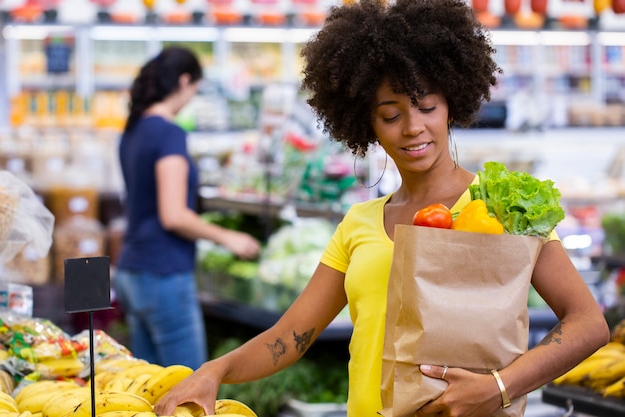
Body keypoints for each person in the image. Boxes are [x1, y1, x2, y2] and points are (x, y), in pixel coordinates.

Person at [154, 0, 610, 415]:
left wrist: (501, 386)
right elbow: (292, 335)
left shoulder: (500, 204)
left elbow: (589, 324)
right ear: (366, 124)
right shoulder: (359, 223)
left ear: (452, 103)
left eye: (427, 106)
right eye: (391, 115)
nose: (413, 128)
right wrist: (216, 370)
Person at [115, 46, 261, 370]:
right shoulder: (169, 134)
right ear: (184, 81)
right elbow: (173, 214)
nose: (192, 98)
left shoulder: (132, 130)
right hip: (163, 275)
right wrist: (228, 237)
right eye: (194, 89)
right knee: (190, 384)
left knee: (145, 387)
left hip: (132, 271)